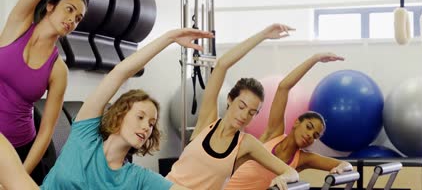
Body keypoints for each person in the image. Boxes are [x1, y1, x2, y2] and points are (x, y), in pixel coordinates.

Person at [0, 28, 212, 190]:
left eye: (151, 123)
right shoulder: (85, 135)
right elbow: (119, 73)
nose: (146, 127)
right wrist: (169, 38)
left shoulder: (137, 178)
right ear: (119, 115)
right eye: (140, 117)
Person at [0, 0, 131, 183]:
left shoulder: (57, 70)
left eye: (78, 18)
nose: (72, 20)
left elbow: (47, 130)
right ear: (50, 6)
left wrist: (19, 176)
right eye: (69, 10)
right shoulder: (17, 25)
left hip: (20, 151)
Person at [166, 24, 301, 190]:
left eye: (252, 112)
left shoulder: (246, 144)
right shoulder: (207, 122)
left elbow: (291, 172)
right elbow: (222, 64)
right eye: (242, 106)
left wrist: (284, 178)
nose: (245, 116)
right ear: (230, 99)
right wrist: (263, 35)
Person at [224, 53, 353, 190]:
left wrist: (339, 169)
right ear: (297, 122)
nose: (310, 135)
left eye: (315, 136)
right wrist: (315, 59)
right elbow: (283, 87)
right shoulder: (274, 133)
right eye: (309, 127)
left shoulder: (304, 159)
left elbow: (347, 165)